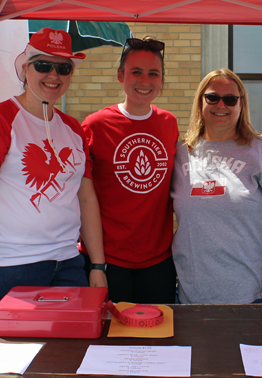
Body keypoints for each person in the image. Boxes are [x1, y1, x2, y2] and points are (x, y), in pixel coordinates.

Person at [0, 28, 107, 320]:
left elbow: (85, 200)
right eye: (43, 65)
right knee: (21, 358)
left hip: (68, 262)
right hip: (10, 266)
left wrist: (97, 266)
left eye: (63, 68)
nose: (53, 75)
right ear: (25, 68)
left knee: (69, 353)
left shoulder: (73, 128)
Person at [171, 68, 262, 304]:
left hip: (253, 294)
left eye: (230, 99)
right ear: (200, 102)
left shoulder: (260, 150)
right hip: (192, 295)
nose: (221, 105)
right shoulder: (180, 153)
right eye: (212, 97)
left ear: (241, 104)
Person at [81, 36, 178, 304]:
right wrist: (97, 266)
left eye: (153, 74)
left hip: (158, 260)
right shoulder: (95, 125)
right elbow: (81, 196)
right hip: (108, 261)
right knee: (108, 338)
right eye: (136, 72)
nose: (144, 81)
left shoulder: (168, 123)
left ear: (161, 80)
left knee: (158, 336)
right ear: (120, 75)